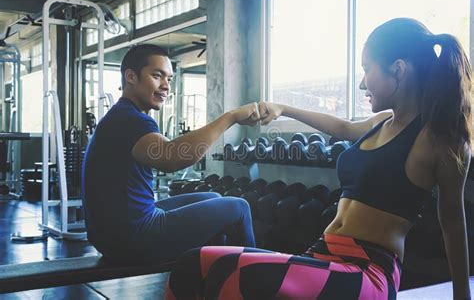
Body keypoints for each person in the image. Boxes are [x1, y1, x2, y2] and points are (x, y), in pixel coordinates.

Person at [165, 18, 472, 300]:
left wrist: (462, 296)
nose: (362, 84)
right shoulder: (380, 123)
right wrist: (283, 109)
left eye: (367, 69)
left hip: (367, 273)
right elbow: (341, 127)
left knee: (235, 278)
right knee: (193, 265)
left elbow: (453, 222)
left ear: (398, 69)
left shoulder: (440, 140)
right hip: (323, 255)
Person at [81, 44, 258, 264]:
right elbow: (172, 157)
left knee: (213, 198)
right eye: (157, 76)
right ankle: (251, 281)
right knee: (238, 208)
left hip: (110, 236)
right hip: (131, 238)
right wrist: (231, 117)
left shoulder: (123, 114)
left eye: (169, 79)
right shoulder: (131, 119)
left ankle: (211, 278)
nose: (166, 86)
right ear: (131, 77)